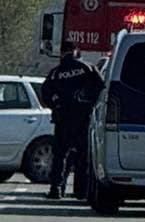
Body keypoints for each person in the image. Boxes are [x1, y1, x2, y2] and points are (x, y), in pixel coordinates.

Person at [39, 40, 103, 201]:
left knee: (60, 155)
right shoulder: (87, 68)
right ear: (76, 51)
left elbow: (45, 93)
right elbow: (101, 86)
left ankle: (56, 190)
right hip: (83, 119)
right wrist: (89, 102)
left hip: (63, 120)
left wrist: (56, 106)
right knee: (83, 156)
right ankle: (81, 192)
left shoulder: (56, 73)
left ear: (62, 53)